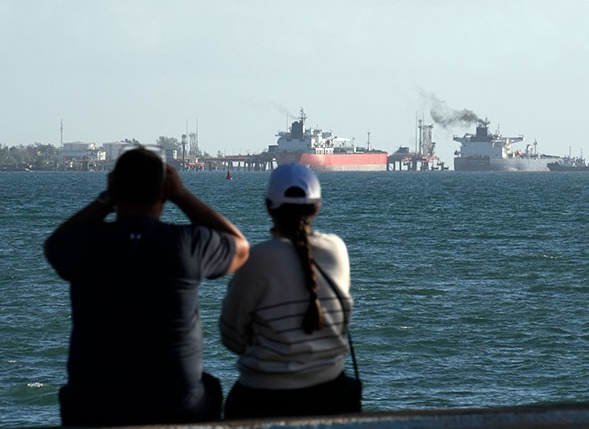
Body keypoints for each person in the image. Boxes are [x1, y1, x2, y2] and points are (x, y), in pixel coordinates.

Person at [44, 147, 249, 426]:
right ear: (164, 191)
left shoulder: (87, 243)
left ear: (114, 187)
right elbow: (240, 247)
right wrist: (182, 195)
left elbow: (54, 244)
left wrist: (106, 199)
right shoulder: (185, 245)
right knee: (209, 386)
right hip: (176, 407)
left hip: (94, 406)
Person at [219, 163, 359, 419]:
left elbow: (232, 338)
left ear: (268, 207)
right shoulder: (337, 249)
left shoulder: (257, 259)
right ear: (317, 207)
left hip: (264, 398)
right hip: (331, 395)